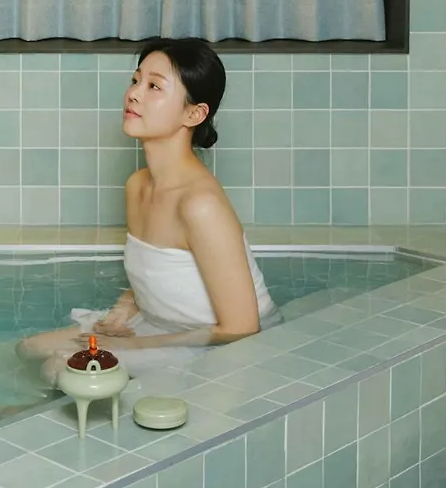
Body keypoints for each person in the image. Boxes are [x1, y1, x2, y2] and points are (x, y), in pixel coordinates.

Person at [14, 38, 281, 388]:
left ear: (194, 114)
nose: (133, 94)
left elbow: (242, 327)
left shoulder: (200, 204)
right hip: (158, 322)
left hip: (215, 340)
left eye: (154, 86)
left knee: (60, 369)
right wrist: (121, 312)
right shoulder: (138, 186)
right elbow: (156, 272)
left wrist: (135, 345)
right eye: (135, 80)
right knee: (29, 348)